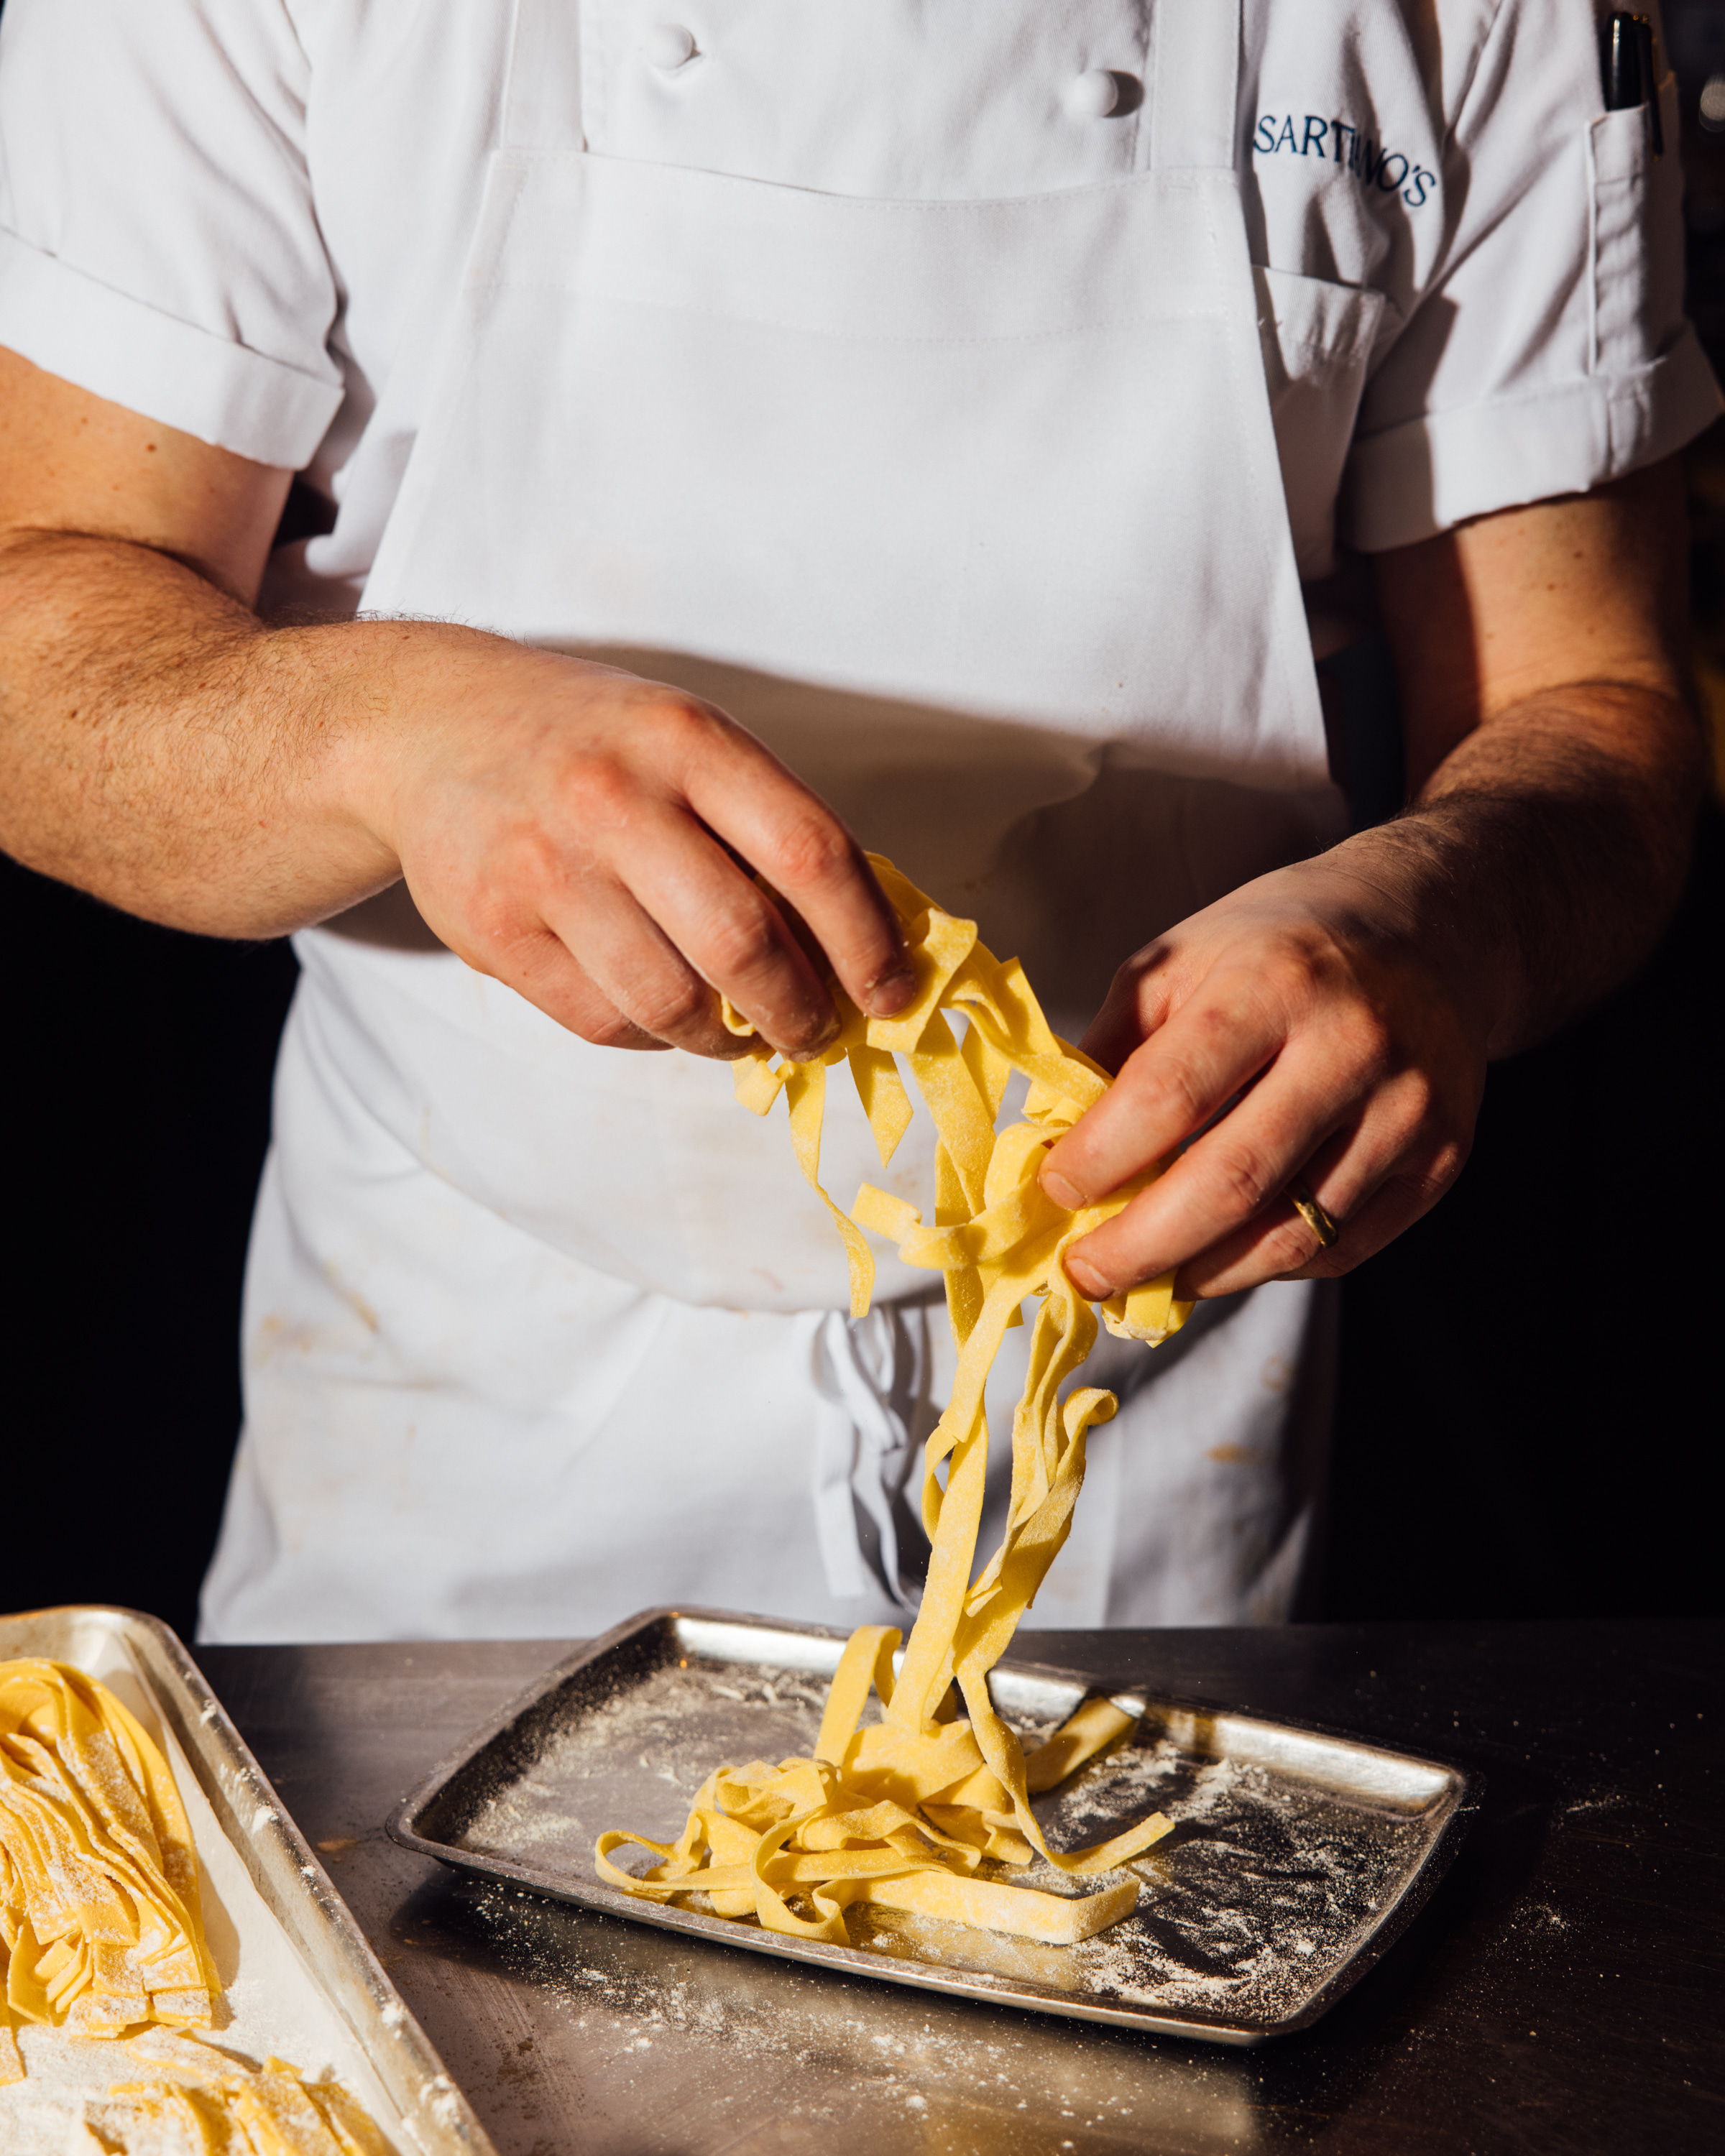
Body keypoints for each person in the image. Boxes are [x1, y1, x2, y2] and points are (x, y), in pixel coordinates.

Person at [0, 0, 1710, 1642]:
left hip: (1145, 1419)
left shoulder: (1483, 14)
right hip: (464, 1398)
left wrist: (1444, 928)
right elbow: (36, 649)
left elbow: (1591, 710)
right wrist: (394, 737)